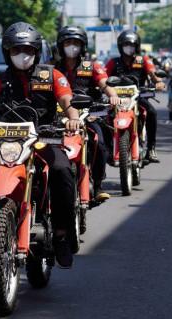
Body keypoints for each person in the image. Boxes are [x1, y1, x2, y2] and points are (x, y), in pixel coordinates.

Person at [0, 22, 80, 269]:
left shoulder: (52, 75)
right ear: (7, 52)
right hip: (7, 141)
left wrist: (73, 117)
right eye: (16, 50)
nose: (22, 55)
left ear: (36, 51)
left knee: (62, 171)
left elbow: (67, 101)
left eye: (28, 50)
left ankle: (62, 234)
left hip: (44, 140)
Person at [54, 25, 120, 202]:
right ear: (60, 45)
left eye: (76, 42)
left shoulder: (91, 66)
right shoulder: (49, 67)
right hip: (56, 116)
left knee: (98, 141)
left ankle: (97, 184)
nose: (72, 46)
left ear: (83, 45)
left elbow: (105, 83)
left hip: (87, 114)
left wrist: (113, 96)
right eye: (68, 42)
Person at [105, 30, 166, 163]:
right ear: (120, 46)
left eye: (132, 44)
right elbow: (103, 79)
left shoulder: (144, 60)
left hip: (138, 97)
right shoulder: (113, 62)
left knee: (151, 112)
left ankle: (151, 148)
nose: (129, 47)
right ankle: (109, 149)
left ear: (137, 46)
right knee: (104, 117)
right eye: (126, 44)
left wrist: (158, 81)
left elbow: (152, 72)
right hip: (117, 99)